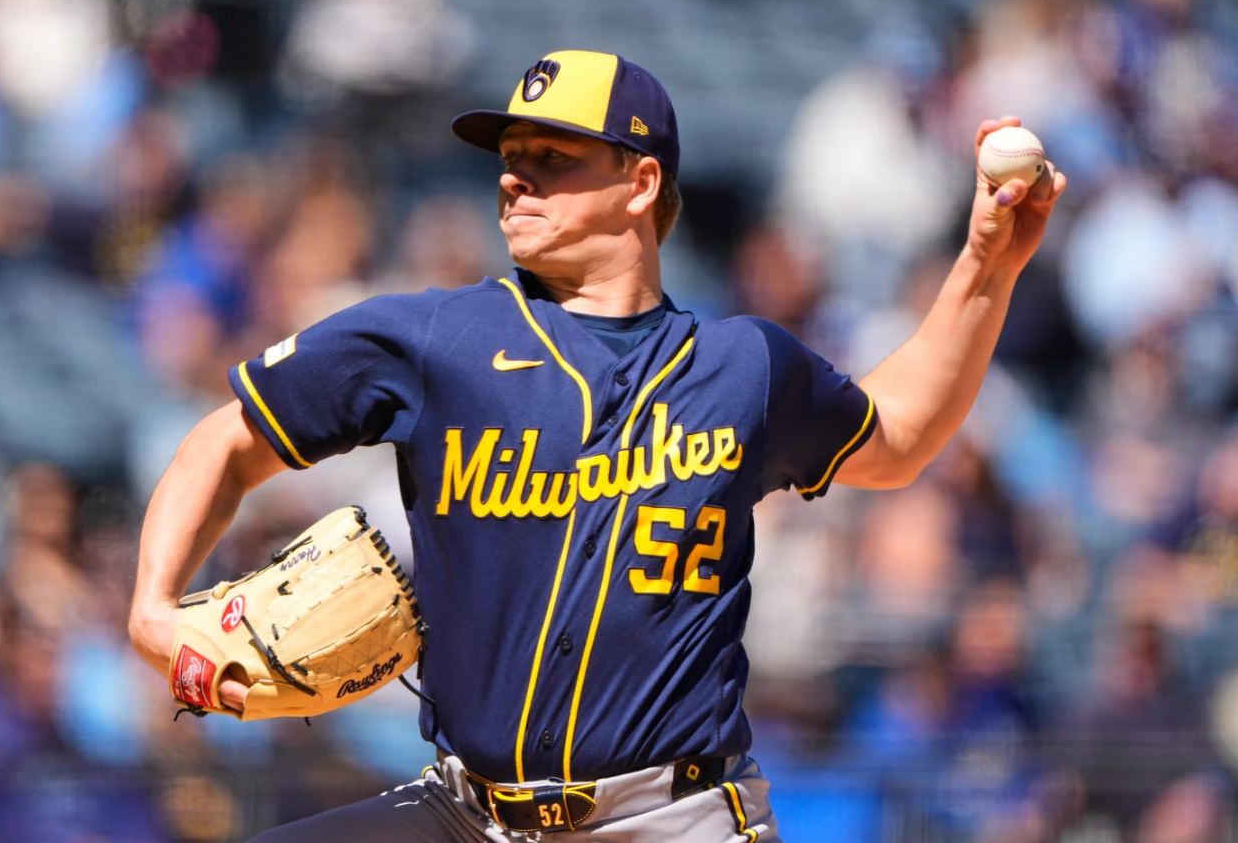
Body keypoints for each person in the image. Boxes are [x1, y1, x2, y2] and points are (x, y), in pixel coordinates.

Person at [128, 50, 1066, 841]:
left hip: (674, 816)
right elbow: (229, 440)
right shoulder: (431, 339)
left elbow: (896, 437)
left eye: (550, 156)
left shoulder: (741, 368)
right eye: (508, 155)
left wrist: (988, 260)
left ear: (640, 182)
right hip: (469, 812)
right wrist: (155, 606)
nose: (512, 174)